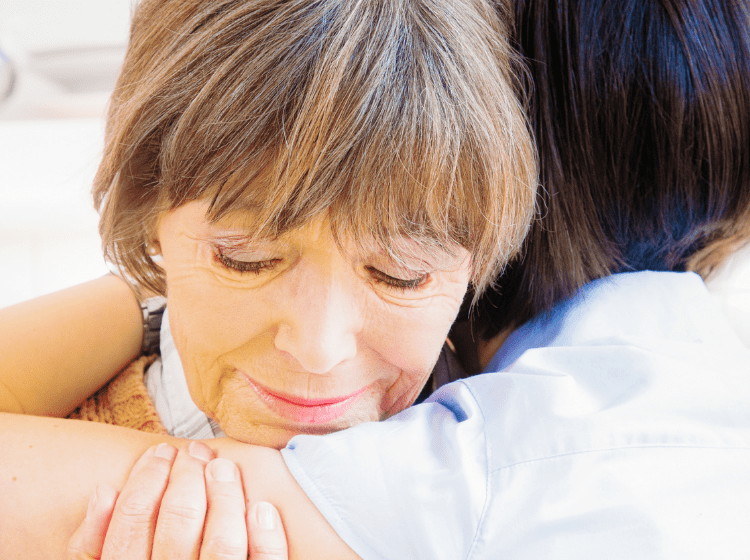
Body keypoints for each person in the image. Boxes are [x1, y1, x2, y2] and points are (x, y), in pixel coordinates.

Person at [3, 0, 750, 557]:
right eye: (246, 257)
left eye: (400, 275)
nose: (319, 348)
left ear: (484, 261)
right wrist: (146, 301)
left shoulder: (471, 463)